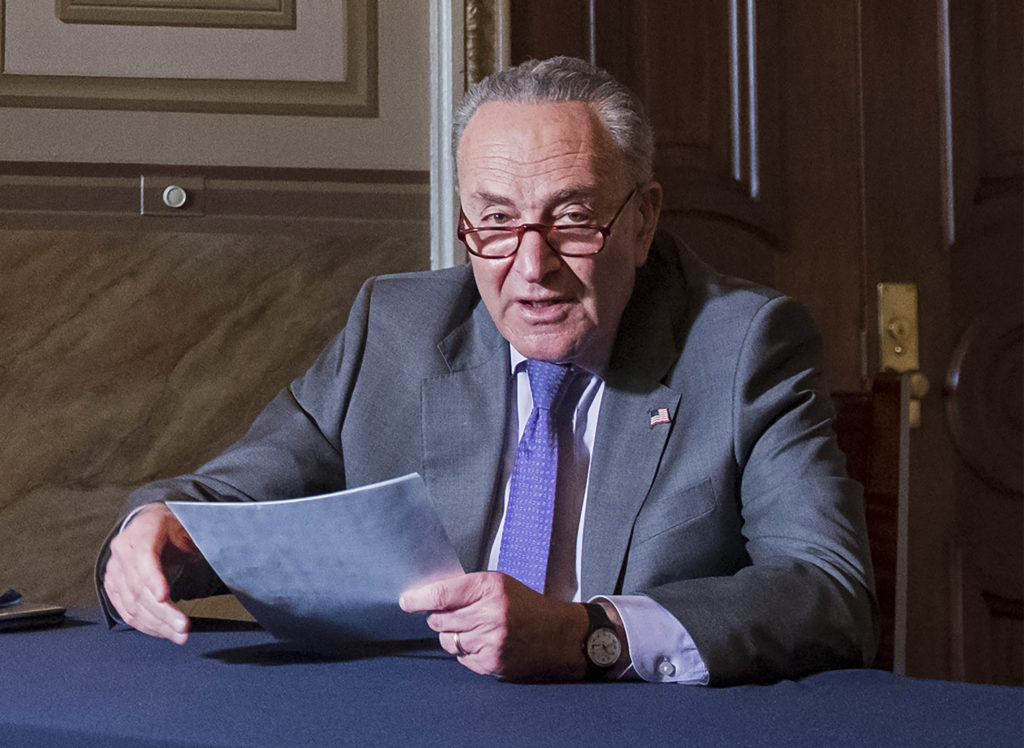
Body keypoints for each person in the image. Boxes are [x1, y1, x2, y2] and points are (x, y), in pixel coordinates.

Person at [98, 56, 875, 685]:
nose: (531, 268)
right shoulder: (397, 328)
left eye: (572, 219)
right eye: (497, 222)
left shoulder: (744, 346)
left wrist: (590, 634)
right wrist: (153, 532)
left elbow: (826, 589)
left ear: (642, 222)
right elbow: (227, 498)